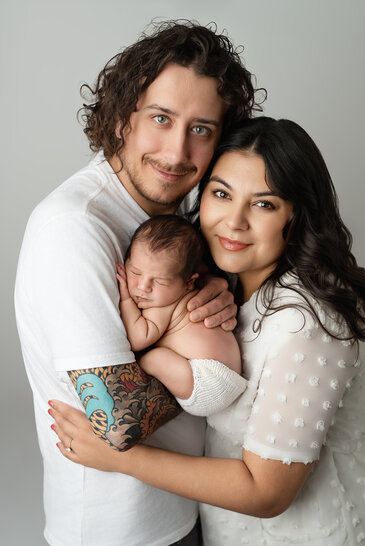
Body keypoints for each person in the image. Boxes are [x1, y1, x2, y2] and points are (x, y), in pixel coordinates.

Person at [51, 117, 365, 545]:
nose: (233, 222)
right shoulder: (224, 284)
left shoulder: (310, 323)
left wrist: (121, 458)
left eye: (264, 204)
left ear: (298, 215)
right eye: (221, 194)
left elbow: (266, 491)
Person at [14, 20, 262, 546]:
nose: (176, 153)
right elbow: (118, 419)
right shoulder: (75, 227)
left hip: (189, 509)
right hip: (116, 531)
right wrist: (213, 370)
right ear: (122, 116)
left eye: (201, 129)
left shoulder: (181, 227)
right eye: (161, 118)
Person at [116, 214, 246, 415]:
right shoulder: (180, 293)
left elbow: (137, 339)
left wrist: (125, 299)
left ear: (188, 282)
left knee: (151, 357)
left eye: (159, 281)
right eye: (135, 272)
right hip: (228, 377)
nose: (143, 287)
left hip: (205, 382)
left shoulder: (163, 305)